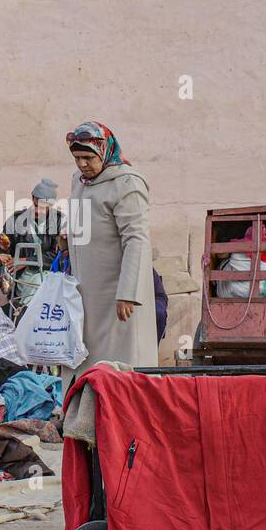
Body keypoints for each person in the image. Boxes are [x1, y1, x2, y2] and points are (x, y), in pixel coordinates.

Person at [64, 122, 158, 379]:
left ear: (104, 152)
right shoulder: (79, 182)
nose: (82, 164)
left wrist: (128, 292)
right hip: (85, 291)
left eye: (88, 157)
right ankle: (84, 412)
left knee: (120, 360)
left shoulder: (127, 183)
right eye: (77, 158)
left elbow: (136, 238)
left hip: (117, 294)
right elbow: (81, 222)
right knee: (85, 358)